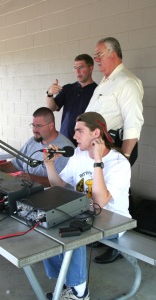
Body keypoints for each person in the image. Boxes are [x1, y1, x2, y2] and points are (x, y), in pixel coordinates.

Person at [43, 112, 131, 300]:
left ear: (96, 133)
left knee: (75, 231)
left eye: (79, 131)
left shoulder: (119, 163)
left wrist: (97, 161)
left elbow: (100, 203)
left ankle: (79, 293)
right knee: (47, 222)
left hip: (114, 221)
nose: (74, 136)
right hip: (84, 215)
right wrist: (50, 165)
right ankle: (66, 283)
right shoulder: (78, 154)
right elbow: (59, 187)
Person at [85, 37, 144, 263]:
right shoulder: (106, 81)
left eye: (99, 54)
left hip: (118, 148)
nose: (96, 59)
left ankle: (118, 245)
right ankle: (103, 235)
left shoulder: (127, 81)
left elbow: (133, 125)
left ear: (113, 53)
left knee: (116, 197)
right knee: (101, 194)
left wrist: (125, 159)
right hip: (101, 149)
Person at [0, 107, 75, 187]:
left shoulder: (64, 149)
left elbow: (62, 183)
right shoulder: (32, 141)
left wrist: (34, 179)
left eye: (38, 126)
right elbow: (16, 164)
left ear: (51, 125)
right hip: (28, 191)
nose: (34, 130)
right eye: (33, 125)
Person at [46, 54, 97, 145]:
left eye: (81, 67)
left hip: (85, 142)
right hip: (65, 140)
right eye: (75, 68)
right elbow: (52, 108)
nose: (77, 71)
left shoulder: (97, 91)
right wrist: (49, 94)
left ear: (91, 68)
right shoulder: (68, 88)